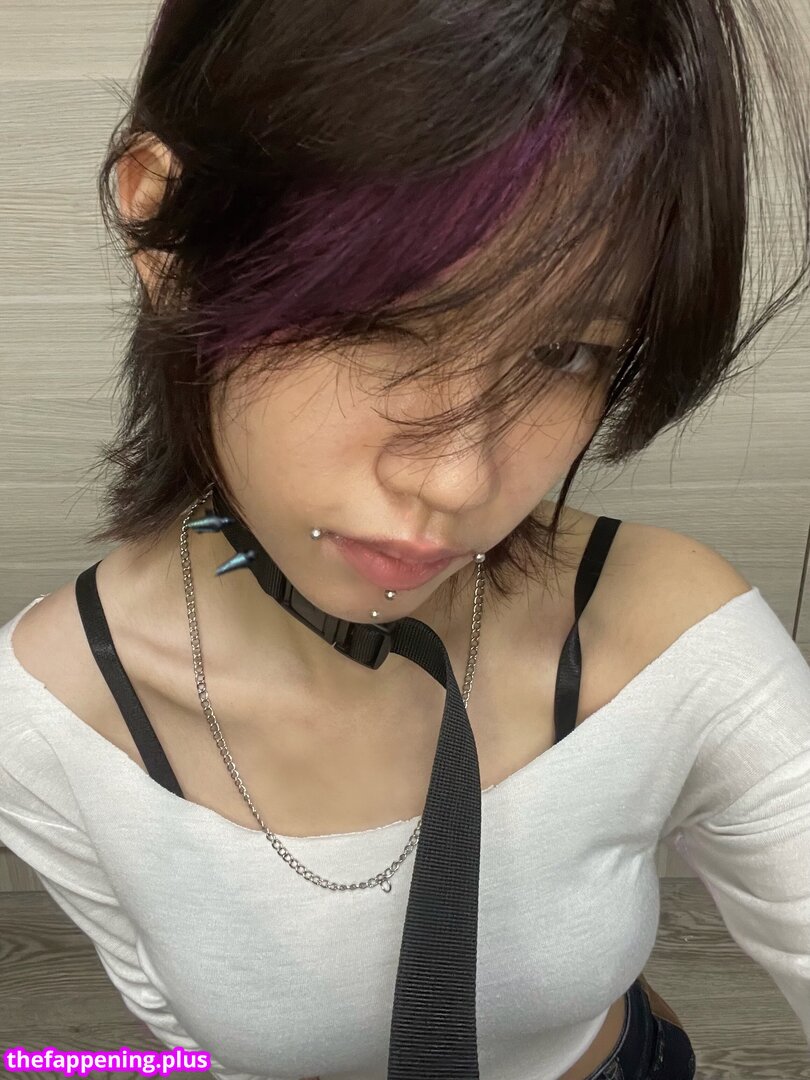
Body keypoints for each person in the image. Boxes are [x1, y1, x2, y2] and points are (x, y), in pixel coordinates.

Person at [2, 1, 810, 1078]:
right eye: (377, 322)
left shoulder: (672, 636)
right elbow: (183, 1036)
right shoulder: (51, 722)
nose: (459, 479)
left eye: (565, 352)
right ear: (165, 227)